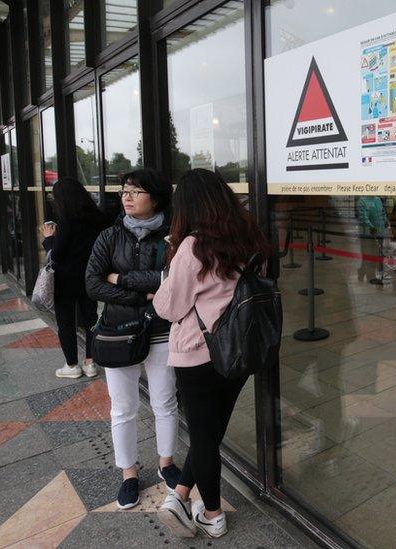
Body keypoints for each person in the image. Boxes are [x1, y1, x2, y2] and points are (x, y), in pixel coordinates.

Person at [153, 169, 272, 539]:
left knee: (203, 437)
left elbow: (168, 308)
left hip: (199, 353)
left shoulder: (192, 247)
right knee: (211, 429)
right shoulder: (248, 236)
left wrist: (165, 276)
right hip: (240, 347)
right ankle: (182, 493)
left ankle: (213, 515)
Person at [85, 168, 181, 510]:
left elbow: (171, 280)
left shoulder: (172, 236)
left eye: (136, 191)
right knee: (123, 408)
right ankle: (128, 474)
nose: (127, 197)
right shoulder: (109, 237)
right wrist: (144, 294)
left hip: (161, 330)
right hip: (117, 332)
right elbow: (94, 284)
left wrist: (122, 278)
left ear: (154, 198)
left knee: (165, 402)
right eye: (124, 191)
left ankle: (166, 463)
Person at [42, 177, 112, 379]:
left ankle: (71, 365)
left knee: (65, 322)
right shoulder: (98, 218)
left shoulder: (66, 222)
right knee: (90, 318)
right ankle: (90, 362)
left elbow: (56, 254)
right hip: (91, 276)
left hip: (65, 280)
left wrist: (48, 239)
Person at [356, 196, 387, 281]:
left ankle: (362, 271)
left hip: (379, 232)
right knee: (369, 254)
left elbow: (382, 212)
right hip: (367, 233)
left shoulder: (377, 199)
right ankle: (371, 276)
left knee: (375, 254)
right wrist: (371, 228)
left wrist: (385, 221)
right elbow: (363, 217)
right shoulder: (362, 200)